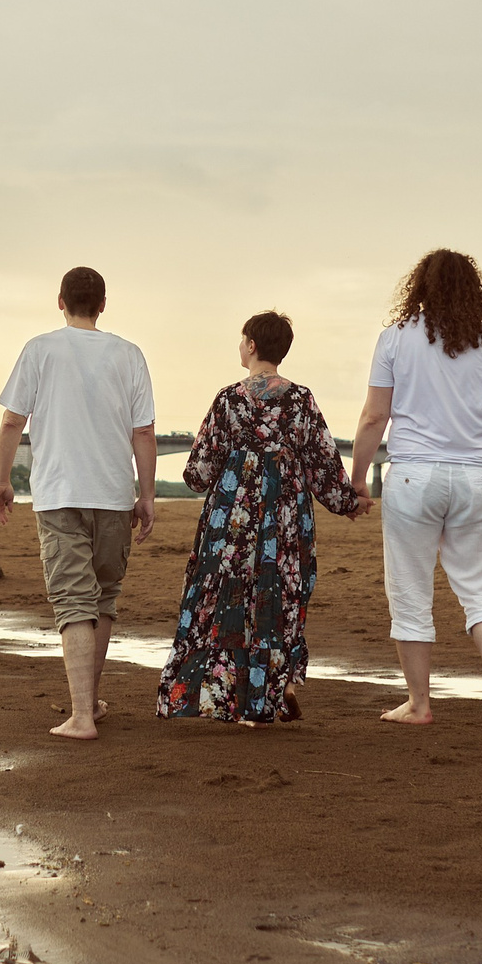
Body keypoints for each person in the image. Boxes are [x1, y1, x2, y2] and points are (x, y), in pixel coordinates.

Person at [346, 248, 482, 730]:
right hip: (475, 477)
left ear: (420, 286)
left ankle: (420, 704)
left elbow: (373, 416)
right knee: (481, 588)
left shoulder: (395, 340)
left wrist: (358, 477)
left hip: (412, 477)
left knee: (410, 591)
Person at [156, 311, 366, 725]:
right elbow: (322, 462)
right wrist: (348, 501)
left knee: (221, 594)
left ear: (251, 345)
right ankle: (276, 686)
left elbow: (197, 472)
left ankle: (221, 694)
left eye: (242, 340)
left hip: (231, 517)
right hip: (284, 516)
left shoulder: (229, 399)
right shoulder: (302, 399)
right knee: (281, 594)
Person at [0, 266, 158, 741]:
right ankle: (91, 702)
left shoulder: (40, 349)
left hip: (60, 493)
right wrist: (146, 495)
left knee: (72, 601)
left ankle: (82, 715)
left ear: (60, 301)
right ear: (102, 305)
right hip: (112, 494)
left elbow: (11, 422)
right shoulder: (129, 355)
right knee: (102, 599)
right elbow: (142, 432)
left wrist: (2, 481)